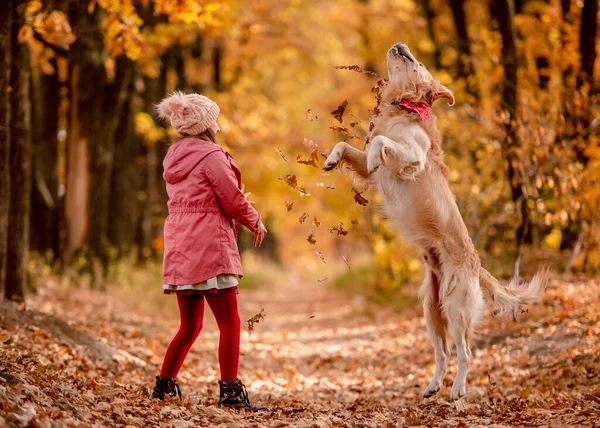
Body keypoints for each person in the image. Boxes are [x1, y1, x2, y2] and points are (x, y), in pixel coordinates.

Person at [150, 91, 269, 412]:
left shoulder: (173, 158)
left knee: (189, 326)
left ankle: (161, 388)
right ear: (206, 124)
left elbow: (200, 198)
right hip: (209, 245)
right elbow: (231, 199)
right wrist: (254, 219)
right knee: (230, 321)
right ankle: (230, 393)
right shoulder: (212, 155)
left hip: (180, 245)